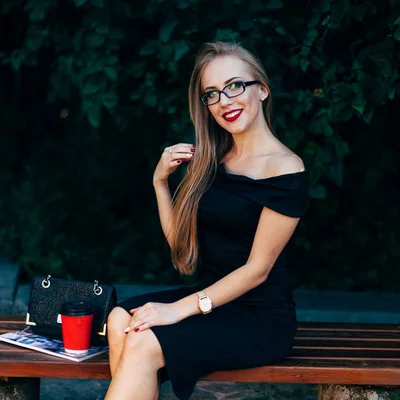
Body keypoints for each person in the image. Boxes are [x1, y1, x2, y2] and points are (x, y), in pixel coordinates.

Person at [104, 41, 309, 400]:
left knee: (142, 340)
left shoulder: (286, 170)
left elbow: (258, 270)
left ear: (262, 89)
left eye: (234, 86)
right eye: (212, 94)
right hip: (211, 303)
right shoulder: (212, 162)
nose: (224, 101)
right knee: (120, 319)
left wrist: (177, 311)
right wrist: (160, 183)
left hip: (259, 318)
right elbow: (182, 248)